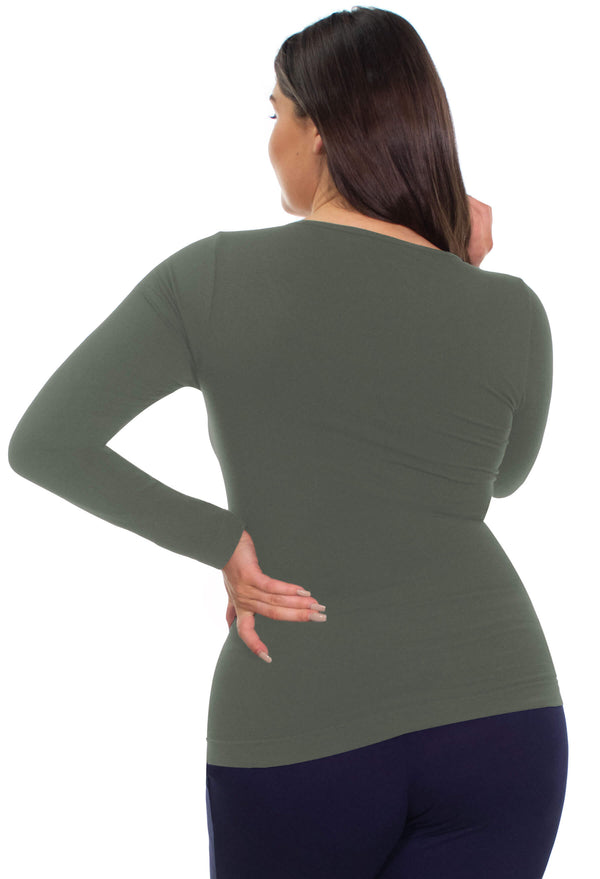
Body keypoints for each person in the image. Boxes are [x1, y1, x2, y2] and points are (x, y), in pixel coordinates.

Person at [7, 7, 567, 878]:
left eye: (275, 113)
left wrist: (221, 540)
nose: (271, 138)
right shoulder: (510, 308)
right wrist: (459, 276)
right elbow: (503, 476)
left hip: (300, 724)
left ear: (319, 129)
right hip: (502, 723)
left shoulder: (211, 276)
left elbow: (46, 441)